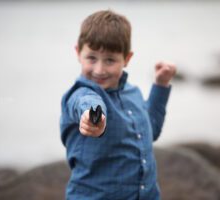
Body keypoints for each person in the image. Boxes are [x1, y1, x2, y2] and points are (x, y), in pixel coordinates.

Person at [60, 10, 176, 200]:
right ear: (78, 53)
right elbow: (87, 103)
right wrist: (93, 117)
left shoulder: (134, 93)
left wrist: (161, 84)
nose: (99, 69)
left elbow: (150, 130)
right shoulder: (79, 93)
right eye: (92, 58)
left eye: (110, 60)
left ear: (127, 59)